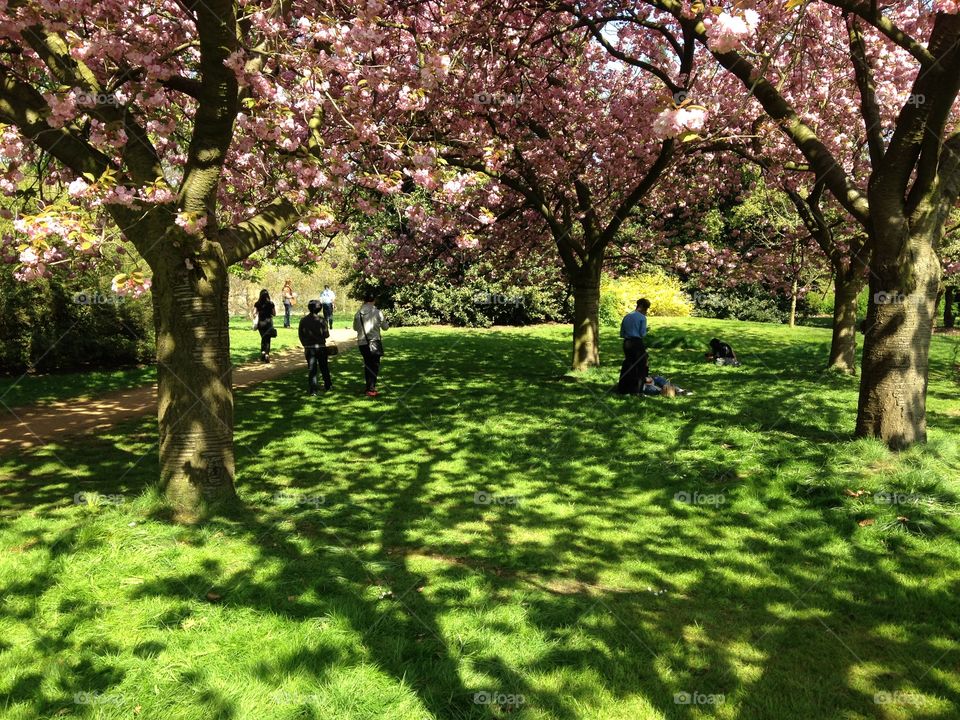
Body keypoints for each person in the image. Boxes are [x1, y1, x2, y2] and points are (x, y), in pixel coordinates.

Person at [354, 293, 388, 396]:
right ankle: (371, 388)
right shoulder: (377, 312)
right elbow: (385, 327)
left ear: (364, 300)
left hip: (362, 342)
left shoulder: (358, 313)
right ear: (374, 300)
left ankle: (369, 387)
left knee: (368, 365)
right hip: (374, 341)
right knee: (375, 365)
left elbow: (355, 328)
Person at [617, 298, 650, 394]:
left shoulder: (627, 316)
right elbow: (642, 333)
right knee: (641, 366)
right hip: (636, 343)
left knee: (628, 364)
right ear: (643, 307)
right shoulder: (642, 318)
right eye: (646, 308)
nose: (646, 311)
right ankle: (637, 390)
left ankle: (623, 388)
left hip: (627, 343)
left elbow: (622, 333)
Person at [299, 299, 332, 395]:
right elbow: (326, 334)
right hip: (321, 347)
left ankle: (313, 390)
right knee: (324, 367)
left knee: (312, 369)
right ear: (320, 309)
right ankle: (328, 385)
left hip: (309, 348)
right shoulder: (321, 320)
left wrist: (305, 344)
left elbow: (301, 335)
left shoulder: (303, 320)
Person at [253, 289, 276, 362]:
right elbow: (274, 313)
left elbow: (254, 313)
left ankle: (263, 352)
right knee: (268, 339)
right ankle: (266, 354)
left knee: (263, 337)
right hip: (268, 323)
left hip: (261, 323)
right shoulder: (271, 303)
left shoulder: (257, 303)